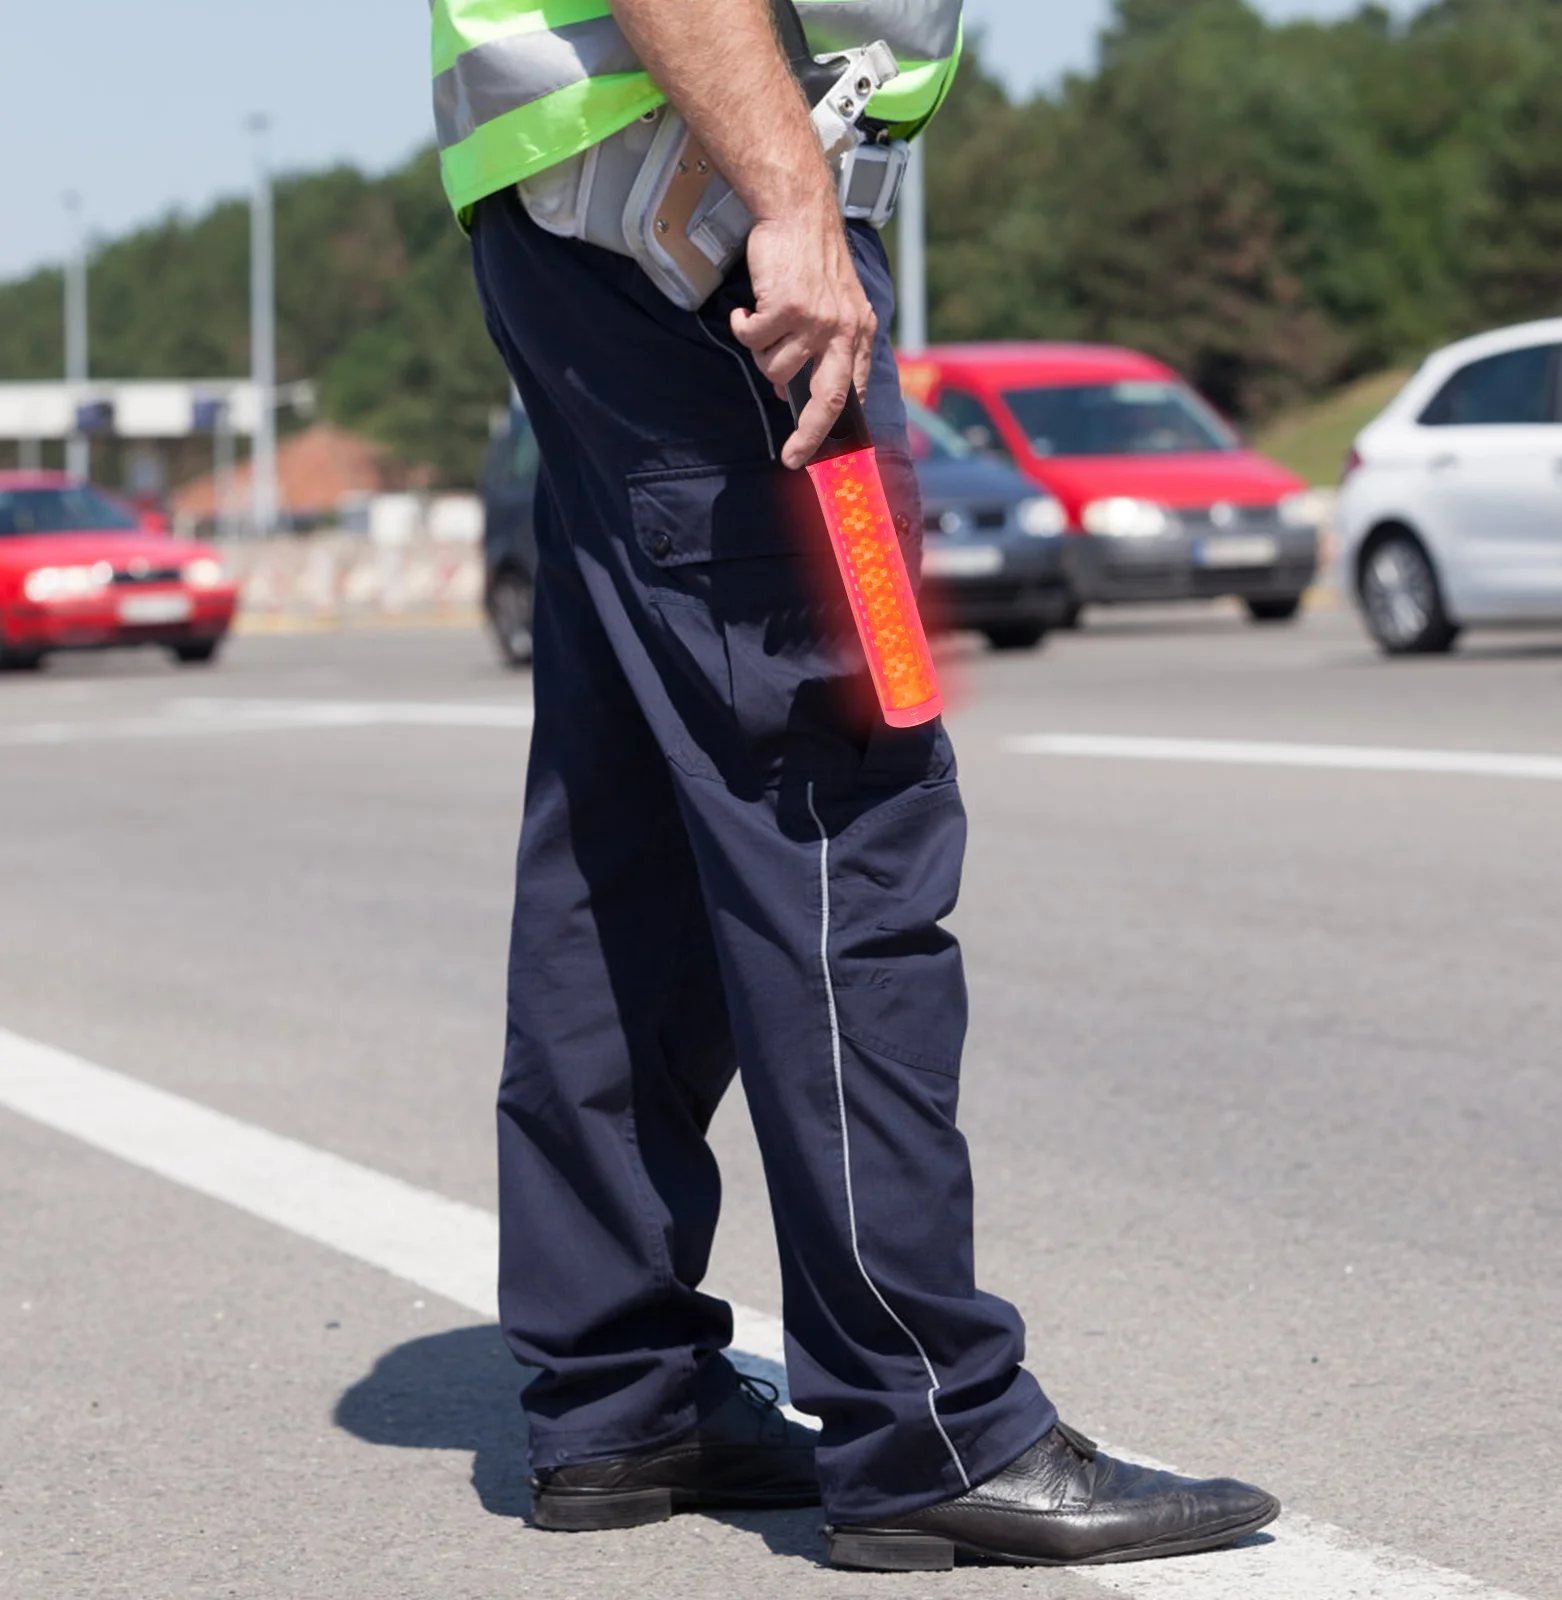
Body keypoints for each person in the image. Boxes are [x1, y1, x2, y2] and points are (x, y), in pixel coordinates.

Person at [432, 0, 1279, 1570]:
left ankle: (622, 1391)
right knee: (841, 807)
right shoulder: (759, 211)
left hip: (598, 219)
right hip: (712, 225)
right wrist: (796, 209)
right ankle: (931, 1421)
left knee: (628, 839)